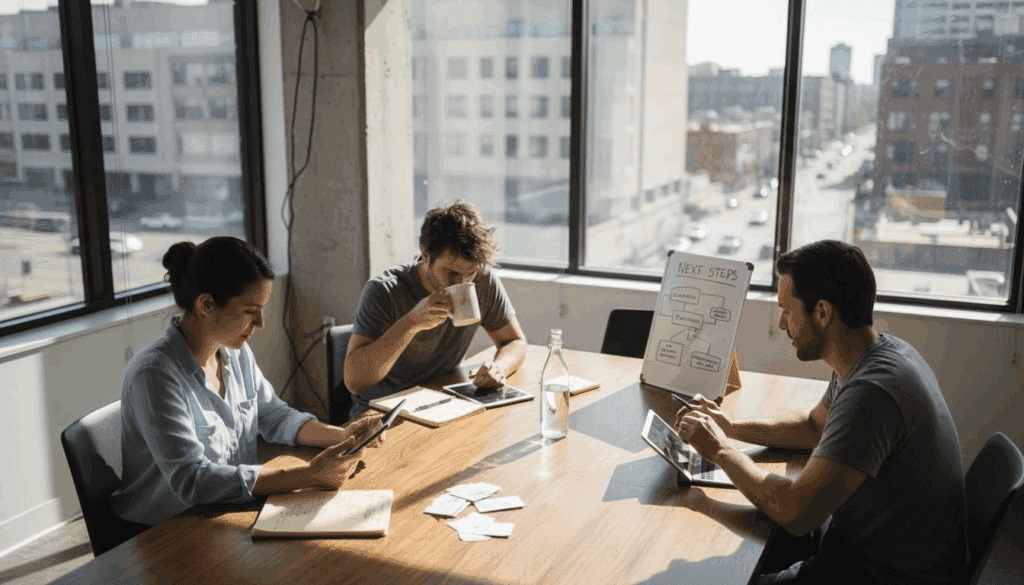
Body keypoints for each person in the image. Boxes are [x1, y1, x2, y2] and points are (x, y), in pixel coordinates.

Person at [674, 240, 967, 584]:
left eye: (786, 310)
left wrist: (720, 450)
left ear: (823, 312)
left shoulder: (872, 393)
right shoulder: (877, 355)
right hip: (866, 547)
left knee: (713, 578)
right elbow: (814, 427)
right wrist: (731, 427)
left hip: (879, 573)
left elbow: (797, 512)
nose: (782, 325)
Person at [112, 237, 383, 526]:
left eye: (262, 310)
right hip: (166, 529)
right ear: (206, 304)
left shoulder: (234, 353)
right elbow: (192, 480)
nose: (261, 324)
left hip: (225, 512)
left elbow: (275, 416)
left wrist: (343, 436)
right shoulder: (154, 374)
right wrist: (308, 475)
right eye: (249, 311)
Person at [344, 200, 527, 418]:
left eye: (470, 273)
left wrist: (500, 368)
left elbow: (514, 341)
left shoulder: (483, 282)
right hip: (382, 412)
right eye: (451, 273)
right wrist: (411, 323)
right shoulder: (384, 291)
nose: (462, 282)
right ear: (425, 253)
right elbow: (356, 382)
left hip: (441, 403)